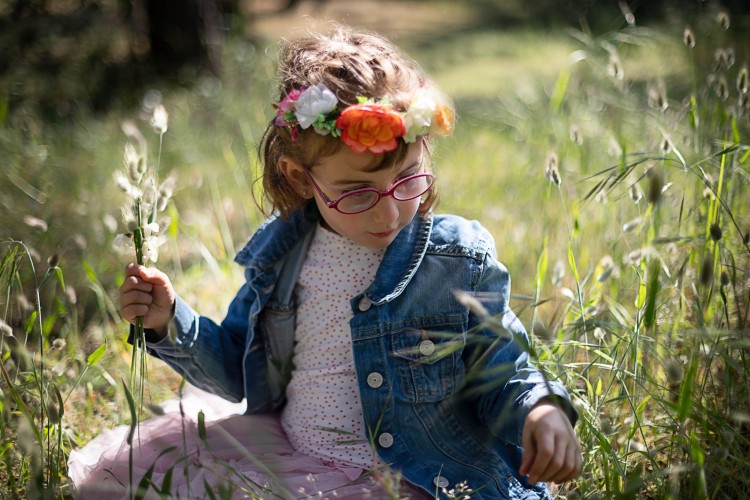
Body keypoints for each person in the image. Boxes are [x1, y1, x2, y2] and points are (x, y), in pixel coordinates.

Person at [69, 25, 580, 499]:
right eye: (355, 192)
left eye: (407, 180)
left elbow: (503, 364)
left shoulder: (452, 259)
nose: (387, 209)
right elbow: (237, 369)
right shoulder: (284, 256)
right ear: (298, 177)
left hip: (414, 474)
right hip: (294, 453)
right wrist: (167, 321)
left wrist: (539, 410)